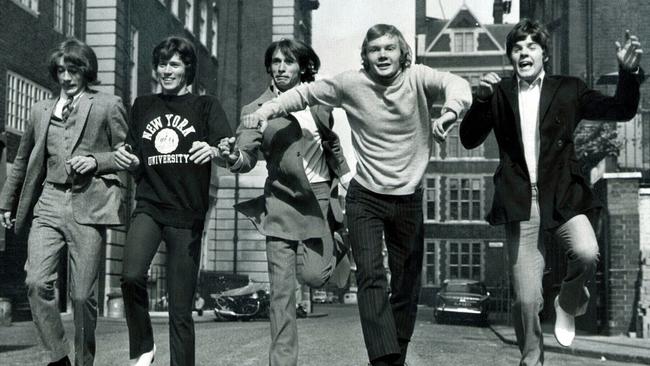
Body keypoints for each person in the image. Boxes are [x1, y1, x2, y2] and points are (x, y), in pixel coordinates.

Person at [241, 24, 472, 366]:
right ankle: (382, 359)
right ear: (365, 56)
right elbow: (303, 95)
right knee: (371, 276)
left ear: (401, 53)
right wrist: (264, 111)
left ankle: (396, 354)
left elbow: (457, 84)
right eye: (374, 49)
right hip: (366, 197)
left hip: (408, 198)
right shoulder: (351, 83)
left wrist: (451, 111)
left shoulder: (419, 78)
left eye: (389, 49)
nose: (382, 55)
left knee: (407, 284)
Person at [459, 19, 643, 366]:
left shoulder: (568, 89)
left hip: (562, 195)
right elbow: (469, 139)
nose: (524, 52)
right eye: (517, 47)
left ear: (545, 54)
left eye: (532, 46)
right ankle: (531, 360)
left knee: (587, 252)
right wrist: (481, 102)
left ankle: (569, 300)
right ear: (511, 56)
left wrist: (628, 74)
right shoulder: (499, 94)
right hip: (520, 203)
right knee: (526, 300)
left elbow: (621, 109)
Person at [216, 38, 351, 366]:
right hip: (281, 204)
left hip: (319, 201)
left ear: (301, 66)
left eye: (288, 62)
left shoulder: (318, 100)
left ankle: (339, 241)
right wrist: (233, 155)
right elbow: (246, 155)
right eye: (275, 62)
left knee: (316, 277)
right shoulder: (255, 110)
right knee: (281, 295)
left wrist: (346, 178)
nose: (280, 68)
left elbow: (330, 144)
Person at [0, 38, 128, 366]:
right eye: (60, 70)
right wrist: (5, 203)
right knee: (35, 282)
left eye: (73, 70)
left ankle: (85, 362)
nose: (66, 77)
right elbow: (25, 156)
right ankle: (58, 357)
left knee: (83, 296)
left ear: (86, 71)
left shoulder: (107, 105)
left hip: (90, 204)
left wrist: (97, 162)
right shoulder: (40, 110)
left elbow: (129, 156)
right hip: (49, 201)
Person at [114, 36, 231, 366]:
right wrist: (129, 159)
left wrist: (213, 149)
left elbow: (227, 147)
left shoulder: (206, 106)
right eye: (162, 64)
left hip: (187, 213)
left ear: (188, 69)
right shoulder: (143, 106)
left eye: (174, 64)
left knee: (181, 311)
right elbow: (135, 153)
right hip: (150, 205)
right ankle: (143, 347)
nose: (166, 70)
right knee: (131, 276)